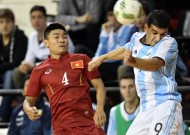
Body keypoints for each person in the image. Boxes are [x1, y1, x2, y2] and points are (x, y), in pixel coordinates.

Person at [88, 10, 183, 134]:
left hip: (166, 104)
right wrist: (102, 58)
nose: (158, 38)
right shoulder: (136, 38)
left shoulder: (169, 43)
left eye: (162, 34)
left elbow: (154, 64)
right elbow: (125, 50)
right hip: (146, 108)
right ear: (146, 27)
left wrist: (133, 61)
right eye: (154, 33)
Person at [23, 23, 106, 135]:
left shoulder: (82, 59)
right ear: (46, 42)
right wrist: (28, 109)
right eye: (56, 37)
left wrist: (100, 109)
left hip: (89, 124)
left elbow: (100, 87)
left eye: (65, 37)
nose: (62, 40)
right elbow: (28, 101)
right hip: (62, 128)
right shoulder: (39, 70)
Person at [12, 5, 75, 89]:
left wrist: (35, 65)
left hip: (59, 66)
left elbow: (62, 57)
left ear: (46, 19)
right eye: (33, 18)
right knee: (17, 72)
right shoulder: (32, 37)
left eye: (39, 17)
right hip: (40, 68)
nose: (36, 20)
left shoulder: (56, 30)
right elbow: (29, 58)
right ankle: (24, 101)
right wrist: (24, 65)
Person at [93, 0, 137, 83]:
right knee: (81, 51)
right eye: (110, 15)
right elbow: (99, 53)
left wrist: (100, 60)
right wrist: (105, 34)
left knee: (93, 68)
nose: (113, 18)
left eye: (116, 14)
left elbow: (120, 52)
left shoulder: (129, 28)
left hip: (118, 63)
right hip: (106, 61)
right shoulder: (106, 29)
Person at [0, 8, 28, 122]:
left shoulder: (21, 38)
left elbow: (16, 62)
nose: (4, 25)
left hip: (12, 73)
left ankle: (3, 114)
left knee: (9, 74)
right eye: (1, 22)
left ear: (13, 23)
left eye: (7, 21)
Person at [107, 67, 140, 135]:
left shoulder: (145, 109)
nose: (127, 91)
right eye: (124, 87)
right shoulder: (115, 111)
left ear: (137, 87)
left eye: (130, 86)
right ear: (120, 89)